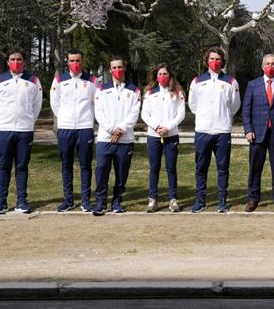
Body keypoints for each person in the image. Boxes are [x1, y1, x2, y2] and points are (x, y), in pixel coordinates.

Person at [0, 48, 43, 215]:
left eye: (19, 59)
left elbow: (37, 105)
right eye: (12, 59)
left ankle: (21, 201)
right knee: (3, 166)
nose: (16, 62)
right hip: (4, 130)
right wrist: (3, 121)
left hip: (25, 131)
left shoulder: (33, 81)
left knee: (22, 166)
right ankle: (1, 202)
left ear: (24, 62)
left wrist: (27, 121)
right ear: (7, 62)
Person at [188, 47, 241, 213]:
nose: (215, 62)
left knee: (223, 168)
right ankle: (200, 200)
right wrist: (205, 117)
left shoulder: (231, 82)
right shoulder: (197, 81)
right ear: (206, 61)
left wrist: (222, 117)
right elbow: (193, 105)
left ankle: (222, 201)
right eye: (211, 58)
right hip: (203, 130)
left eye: (218, 59)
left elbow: (234, 105)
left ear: (222, 61)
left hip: (222, 131)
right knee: (201, 168)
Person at [242, 53, 274, 213]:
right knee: (255, 167)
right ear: (262, 66)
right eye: (267, 64)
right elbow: (246, 109)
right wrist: (248, 129)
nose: (270, 67)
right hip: (257, 133)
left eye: (273, 64)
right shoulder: (253, 85)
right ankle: (253, 198)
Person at [50, 48, 98, 212]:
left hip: (85, 128)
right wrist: (64, 118)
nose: (75, 64)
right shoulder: (59, 79)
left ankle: (85, 201)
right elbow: (55, 103)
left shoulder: (92, 80)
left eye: (78, 60)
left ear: (82, 61)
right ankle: (68, 200)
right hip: (66, 128)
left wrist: (89, 120)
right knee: (66, 165)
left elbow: (95, 103)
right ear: (67, 62)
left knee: (85, 165)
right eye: (72, 61)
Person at [92, 56, 141, 216]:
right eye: (114, 68)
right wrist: (112, 129)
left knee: (122, 172)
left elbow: (134, 114)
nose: (117, 70)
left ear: (124, 68)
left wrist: (121, 130)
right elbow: (99, 113)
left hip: (125, 139)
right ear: (110, 70)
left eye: (120, 67)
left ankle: (117, 200)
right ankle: (100, 201)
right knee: (101, 170)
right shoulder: (101, 89)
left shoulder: (134, 90)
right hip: (105, 138)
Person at [141, 63, 186, 213]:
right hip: (154, 136)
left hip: (171, 136)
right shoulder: (149, 92)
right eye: (159, 74)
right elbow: (145, 114)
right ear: (156, 76)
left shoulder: (177, 92)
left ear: (170, 75)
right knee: (154, 168)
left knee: (171, 168)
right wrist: (157, 127)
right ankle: (152, 200)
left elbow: (181, 114)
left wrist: (168, 127)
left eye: (165, 74)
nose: (162, 77)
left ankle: (173, 200)